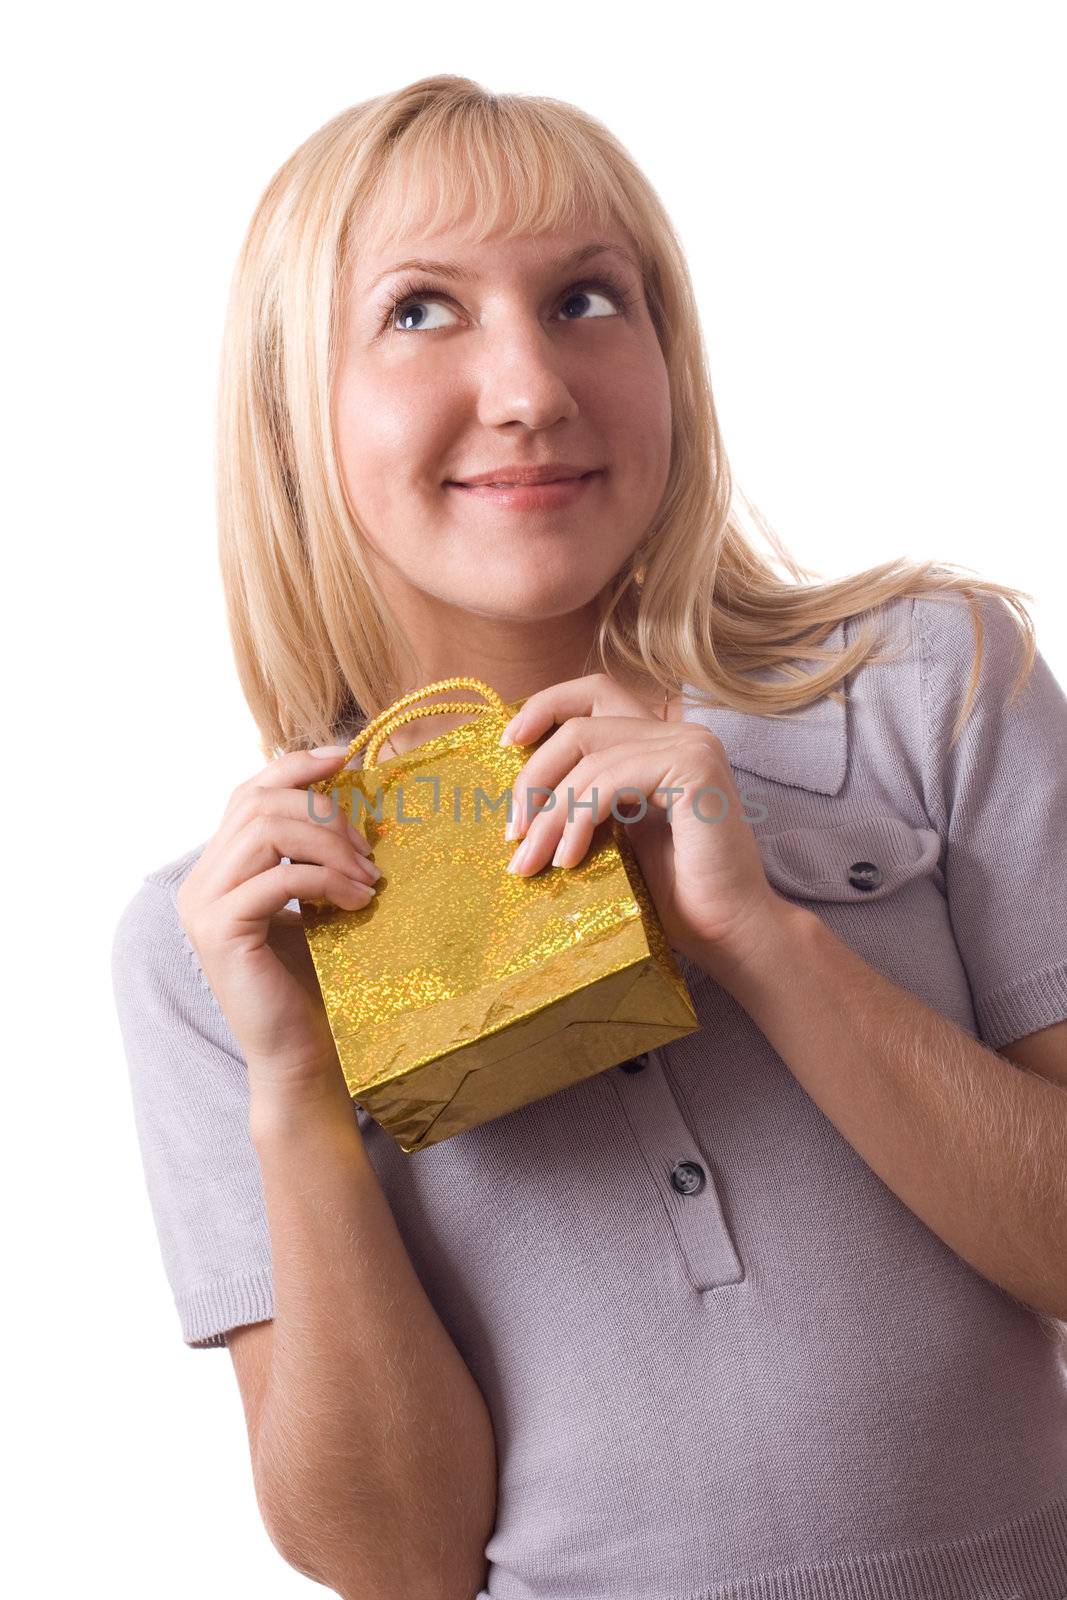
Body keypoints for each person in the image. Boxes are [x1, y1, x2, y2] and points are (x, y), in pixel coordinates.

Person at [111, 73, 1067, 1600]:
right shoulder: (219, 941)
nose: (531, 390)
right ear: (293, 411)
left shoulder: (933, 688)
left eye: (586, 299)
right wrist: (298, 1081)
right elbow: (395, 1561)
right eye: (420, 311)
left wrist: (758, 933)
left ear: (672, 354)